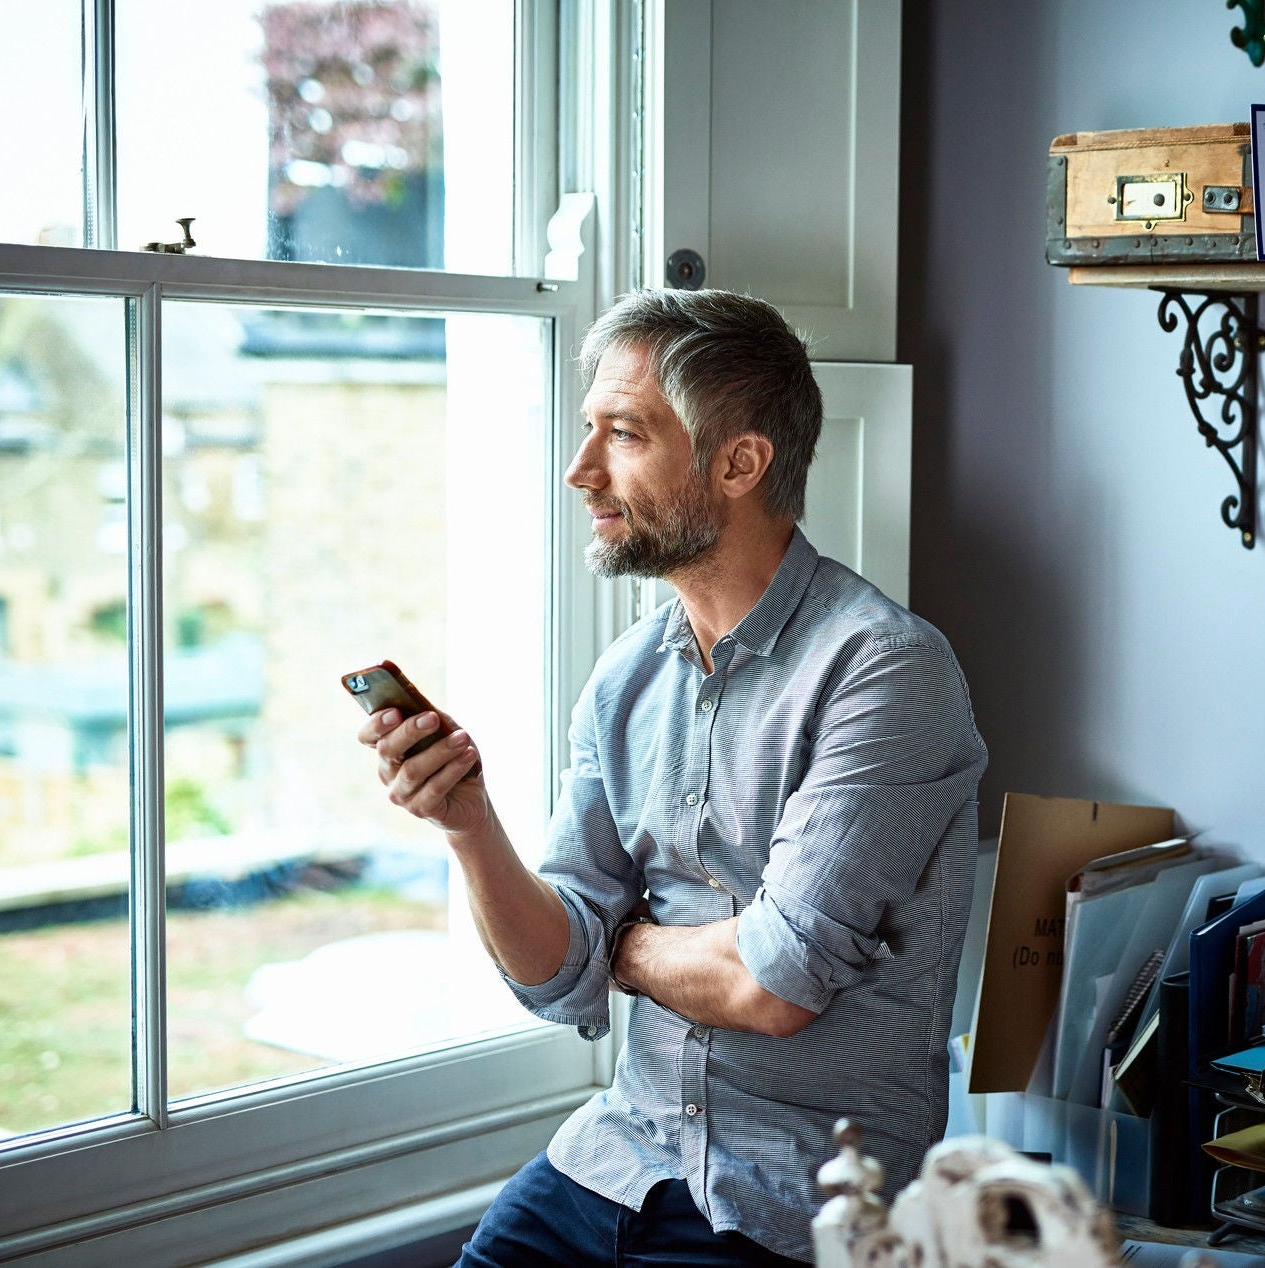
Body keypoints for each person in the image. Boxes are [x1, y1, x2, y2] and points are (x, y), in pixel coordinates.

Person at [357, 288, 988, 1266]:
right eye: (588, 431)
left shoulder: (887, 670)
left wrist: (622, 943)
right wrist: (469, 825)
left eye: (624, 435)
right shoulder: (626, 677)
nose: (581, 470)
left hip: (798, 1197)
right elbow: (558, 976)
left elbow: (777, 981)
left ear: (738, 462)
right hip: (617, 1154)